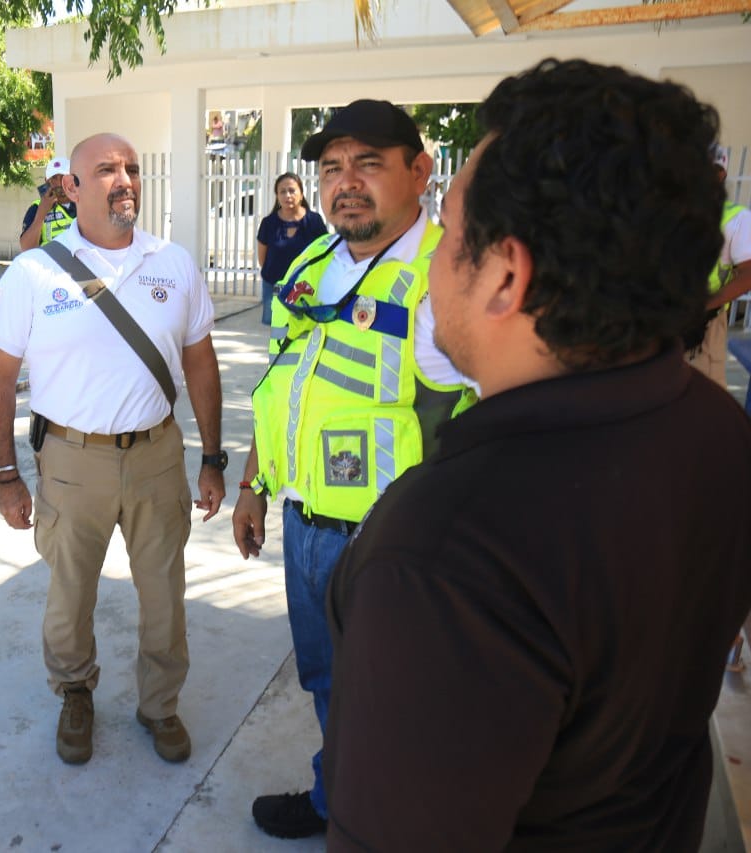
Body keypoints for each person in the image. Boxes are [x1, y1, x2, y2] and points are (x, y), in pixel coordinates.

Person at [322, 58, 751, 851]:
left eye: (448, 231)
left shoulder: (445, 553)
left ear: (506, 276)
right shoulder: (714, 427)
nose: (433, 261)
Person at [230, 100, 470, 840]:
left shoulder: (452, 280)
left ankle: (385, 826)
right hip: (304, 527)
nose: (345, 182)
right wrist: (253, 483)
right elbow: (282, 384)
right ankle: (338, 800)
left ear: (419, 171)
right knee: (330, 683)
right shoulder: (310, 262)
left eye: (368, 162)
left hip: (396, 548)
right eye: (331, 166)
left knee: (402, 701)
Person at [0, 132, 225, 767]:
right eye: (107, 169)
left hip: (157, 456)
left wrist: (213, 457)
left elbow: (202, 365)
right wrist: (7, 473)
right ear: (73, 187)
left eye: (133, 169)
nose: (125, 180)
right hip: (71, 463)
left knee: (164, 596)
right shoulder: (34, 272)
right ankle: (74, 694)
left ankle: (160, 705)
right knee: (69, 596)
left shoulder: (173, 263)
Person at [686, 144, 751, 387]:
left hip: (705, 324)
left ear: (720, 174)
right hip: (664, 321)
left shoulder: (738, 218)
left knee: (702, 398)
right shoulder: (671, 215)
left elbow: (748, 274)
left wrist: (702, 308)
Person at [255, 172, 328, 324]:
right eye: (282, 191)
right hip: (274, 285)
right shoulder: (268, 223)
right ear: (277, 196)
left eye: (292, 190)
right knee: (277, 326)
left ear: (301, 194)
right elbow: (263, 259)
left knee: (305, 326)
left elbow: (324, 254)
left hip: (306, 287)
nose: (287, 195)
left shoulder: (314, 221)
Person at [19, 157, 78, 251]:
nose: (59, 183)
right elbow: (27, 249)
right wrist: (41, 213)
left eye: (63, 177)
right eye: (54, 178)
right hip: (48, 262)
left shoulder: (83, 203)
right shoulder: (36, 208)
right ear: (47, 181)